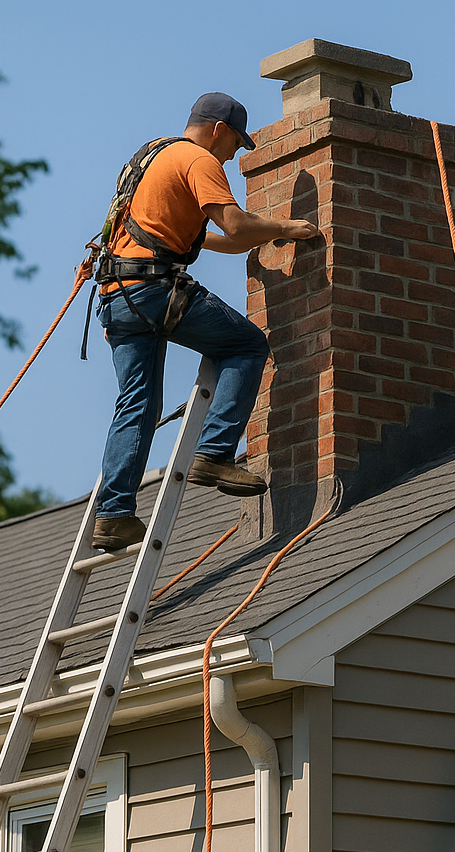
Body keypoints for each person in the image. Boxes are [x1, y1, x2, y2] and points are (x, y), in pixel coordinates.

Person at [90, 93, 319, 552]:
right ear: (218, 129)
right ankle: (214, 453)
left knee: (137, 404)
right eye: (235, 142)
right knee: (247, 346)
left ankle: (113, 515)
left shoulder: (150, 154)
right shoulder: (199, 160)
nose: (234, 154)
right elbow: (238, 226)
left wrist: (242, 241)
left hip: (116, 296)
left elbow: (219, 239)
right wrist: (287, 229)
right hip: (153, 292)